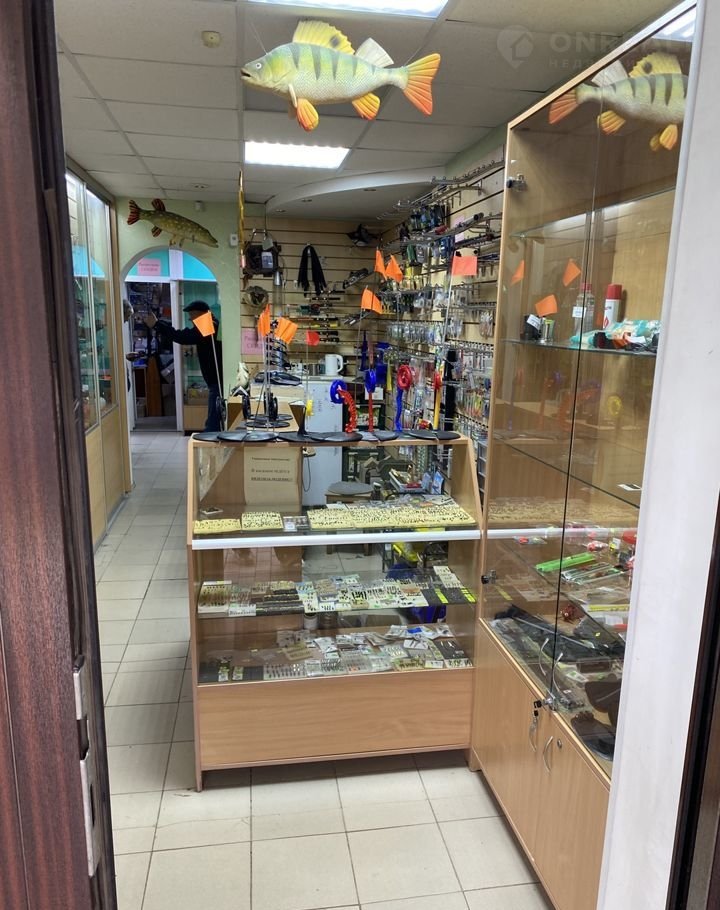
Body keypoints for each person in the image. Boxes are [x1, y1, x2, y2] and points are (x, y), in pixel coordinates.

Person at [144, 301, 223, 431]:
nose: (190, 319)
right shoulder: (211, 324)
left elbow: (182, 337)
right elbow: (183, 335)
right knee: (214, 418)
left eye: (192, 315)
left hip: (216, 382)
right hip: (215, 381)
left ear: (201, 314)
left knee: (213, 423)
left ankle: (209, 440)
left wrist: (157, 325)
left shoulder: (209, 324)